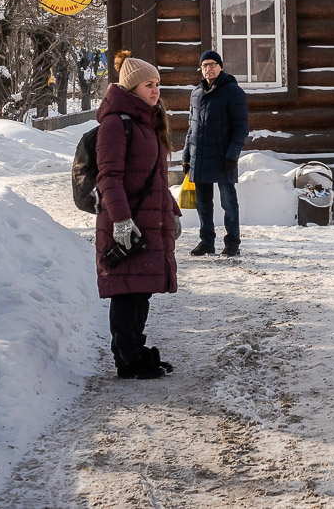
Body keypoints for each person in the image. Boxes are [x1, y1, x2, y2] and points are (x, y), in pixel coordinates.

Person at [95, 50, 179, 379]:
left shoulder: (148, 122)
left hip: (147, 221)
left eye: (157, 84)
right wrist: (121, 221)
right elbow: (108, 177)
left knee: (140, 289)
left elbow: (156, 178)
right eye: (148, 84)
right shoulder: (116, 123)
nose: (156, 90)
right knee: (127, 291)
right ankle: (127, 359)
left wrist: (172, 211)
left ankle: (134, 350)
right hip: (127, 221)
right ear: (131, 89)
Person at [182, 49, 249, 257]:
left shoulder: (233, 92)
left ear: (221, 67)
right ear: (200, 69)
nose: (208, 69)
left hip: (223, 158)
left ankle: (232, 243)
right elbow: (191, 128)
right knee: (203, 203)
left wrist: (232, 155)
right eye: (204, 65)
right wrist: (186, 156)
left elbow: (241, 127)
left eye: (212, 64)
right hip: (199, 156)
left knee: (228, 202)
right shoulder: (196, 94)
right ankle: (206, 242)